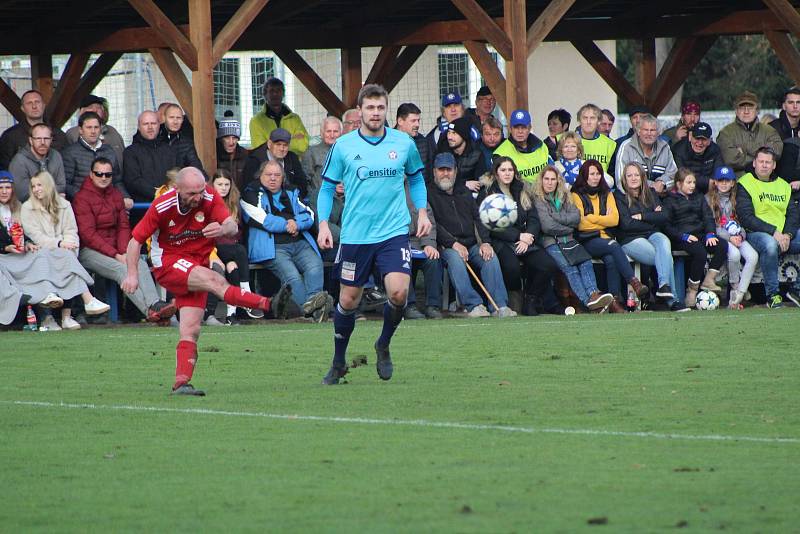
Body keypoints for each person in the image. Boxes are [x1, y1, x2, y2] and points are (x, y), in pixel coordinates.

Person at [122, 167, 291, 395]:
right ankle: (269, 305)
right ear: (178, 190)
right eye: (192, 193)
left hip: (197, 262)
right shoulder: (162, 205)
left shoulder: (209, 197)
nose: (198, 197)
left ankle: (181, 383)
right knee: (215, 280)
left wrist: (222, 228)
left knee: (191, 329)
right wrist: (132, 275)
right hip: (169, 263)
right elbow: (135, 241)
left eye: (201, 191)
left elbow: (232, 226)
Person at [316, 83, 431, 385]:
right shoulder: (343, 146)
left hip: (393, 232)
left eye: (381, 108)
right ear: (360, 111)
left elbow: (417, 180)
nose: (376, 113)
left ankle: (383, 344)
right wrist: (324, 224)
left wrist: (421, 212)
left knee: (398, 293)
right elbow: (327, 187)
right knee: (349, 300)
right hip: (356, 235)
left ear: (386, 110)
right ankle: (339, 360)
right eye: (370, 108)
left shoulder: (403, 143)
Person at [73, 157, 176, 323]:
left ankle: (155, 304)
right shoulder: (81, 198)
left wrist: (124, 252)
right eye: (99, 174)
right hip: (89, 252)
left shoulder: (115, 195)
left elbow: (123, 227)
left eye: (108, 174)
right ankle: (150, 312)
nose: (104, 177)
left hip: (115, 249)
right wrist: (117, 255)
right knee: (123, 271)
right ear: (91, 174)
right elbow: (88, 235)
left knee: (138, 263)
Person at [427, 152, 515, 319]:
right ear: (434, 171)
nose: (445, 173)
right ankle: (474, 305)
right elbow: (433, 224)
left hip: (472, 244)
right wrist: (453, 243)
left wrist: (485, 242)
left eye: (449, 169)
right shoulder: (428, 193)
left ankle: (500, 306)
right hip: (445, 246)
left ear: (455, 170)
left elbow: (478, 217)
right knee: (455, 259)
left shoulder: (463, 191)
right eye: (441, 169)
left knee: (490, 258)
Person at [0, 171, 94, 327]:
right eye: (1, 187)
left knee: (49, 257)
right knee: (48, 257)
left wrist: (28, 243)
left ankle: (65, 312)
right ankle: (84, 298)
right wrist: (5, 247)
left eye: (7, 187)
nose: (4, 191)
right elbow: (34, 235)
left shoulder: (19, 208)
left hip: (24, 255)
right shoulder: (29, 208)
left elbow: (28, 236)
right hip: (6, 257)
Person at [241, 160, 331, 322]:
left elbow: (309, 214)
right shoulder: (250, 193)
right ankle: (309, 312)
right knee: (292, 277)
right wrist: (287, 225)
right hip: (273, 248)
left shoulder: (292, 191)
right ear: (260, 175)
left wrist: (297, 223)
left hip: (300, 243)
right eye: (268, 175)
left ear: (283, 177)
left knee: (315, 267)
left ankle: (313, 310)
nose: (273, 178)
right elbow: (262, 219)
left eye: (277, 175)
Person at [20, 171, 111, 329]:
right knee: (61, 260)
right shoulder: (27, 208)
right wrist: (61, 243)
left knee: (68, 258)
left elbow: (71, 231)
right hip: (39, 252)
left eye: (39, 185)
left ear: (48, 185)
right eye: (33, 186)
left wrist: (68, 245)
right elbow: (36, 237)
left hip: (63, 250)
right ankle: (83, 302)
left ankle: (66, 317)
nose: (36, 189)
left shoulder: (65, 205)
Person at [477, 156, 560, 315]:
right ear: (496, 173)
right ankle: (515, 297)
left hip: (526, 241)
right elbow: (491, 225)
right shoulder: (488, 193)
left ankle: (532, 297)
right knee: (512, 268)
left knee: (548, 264)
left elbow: (534, 218)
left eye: (510, 170)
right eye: (503, 170)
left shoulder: (522, 189)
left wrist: (528, 236)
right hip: (502, 241)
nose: (507, 173)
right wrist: (518, 236)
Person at [531, 165, 614, 312]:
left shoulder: (565, 196)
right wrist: (567, 226)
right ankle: (588, 301)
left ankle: (594, 294)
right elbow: (547, 227)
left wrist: (557, 218)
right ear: (541, 181)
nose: (549, 183)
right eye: (546, 179)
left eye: (553, 179)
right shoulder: (538, 200)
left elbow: (576, 218)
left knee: (585, 261)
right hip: (550, 242)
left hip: (569, 240)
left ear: (558, 181)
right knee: (569, 268)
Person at [571, 159, 649, 312]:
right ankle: (634, 283)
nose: (595, 177)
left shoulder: (607, 193)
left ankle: (615, 301)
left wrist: (592, 217)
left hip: (605, 238)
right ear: (585, 176)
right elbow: (580, 224)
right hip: (586, 240)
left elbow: (614, 220)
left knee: (611, 259)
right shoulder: (576, 195)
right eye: (592, 174)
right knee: (613, 246)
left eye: (598, 173)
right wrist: (602, 220)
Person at [614, 162, 688, 312]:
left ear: (642, 177)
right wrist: (652, 219)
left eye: (636, 175)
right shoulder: (619, 196)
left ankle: (663, 286)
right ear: (624, 178)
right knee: (664, 256)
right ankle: (673, 301)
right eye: (629, 175)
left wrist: (641, 216)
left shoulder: (651, 193)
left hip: (652, 235)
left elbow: (664, 216)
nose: (633, 178)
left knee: (664, 241)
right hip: (630, 239)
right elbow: (626, 225)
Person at [735, 147, 800, 308]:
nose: (764, 165)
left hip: (783, 234)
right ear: (755, 163)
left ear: (774, 165)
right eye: (761, 161)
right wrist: (774, 232)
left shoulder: (783, 185)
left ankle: (797, 289)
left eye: (768, 162)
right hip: (755, 233)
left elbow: (793, 214)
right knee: (770, 245)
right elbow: (746, 218)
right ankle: (773, 295)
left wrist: (788, 234)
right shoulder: (745, 183)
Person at [662, 168, 728, 307]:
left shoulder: (698, 197)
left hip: (700, 234)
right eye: (688, 182)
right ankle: (692, 291)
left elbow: (707, 217)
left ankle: (709, 280)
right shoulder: (669, 200)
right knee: (700, 252)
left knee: (722, 245)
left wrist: (710, 233)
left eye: (693, 182)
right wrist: (683, 236)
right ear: (679, 184)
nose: (692, 185)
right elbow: (666, 226)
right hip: (681, 237)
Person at [210, 169, 264, 322]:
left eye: (227, 184)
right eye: (219, 184)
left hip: (231, 252)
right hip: (213, 250)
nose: (224, 188)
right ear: (212, 185)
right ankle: (246, 293)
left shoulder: (235, 203)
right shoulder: (207, 204)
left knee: (233, 267)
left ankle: (230, 314)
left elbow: (239, 232)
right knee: (239, 250)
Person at [705, 165, 758, 309]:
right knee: (734, 255)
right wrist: (729, 238)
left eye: (727, 181)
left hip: (738, 236)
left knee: (753, 257)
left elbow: (743, 221)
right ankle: (736, 290)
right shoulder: (708, 199)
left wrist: (741, 235)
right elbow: (712, 226)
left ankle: (741, 291)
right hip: (722, 238)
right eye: (720, 180)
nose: (724, 183)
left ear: (733, 182)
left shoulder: (737, 198)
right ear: (715, 182)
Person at [62, 111, 129, 206]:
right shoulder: (70, 153)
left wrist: (125, 196)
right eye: (89, 127)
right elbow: (65, 184)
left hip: (108, 206)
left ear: (100, 129)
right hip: (82, 208)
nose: (93, 131)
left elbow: (117, 180)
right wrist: (85, 197)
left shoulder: (109, 151)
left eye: (96, 127)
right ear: (80, 130)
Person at [717, 91, 783, 177]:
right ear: (736, 111)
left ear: (757, 111)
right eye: (742, 108)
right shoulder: (726, 133)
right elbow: (731, 160)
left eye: (750, 107)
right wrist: (763, 153)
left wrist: (743, 152)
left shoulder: (770, 131)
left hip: (765, 183)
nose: (746, 111)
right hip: (737, 184)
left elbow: (777, 153)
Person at [0, 90, 68, 170]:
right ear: (22, 108)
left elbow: (66, 167)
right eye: (29, 103)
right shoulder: (10, 136)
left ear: (43, 105)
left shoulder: (59, 135)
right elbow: (4, 168)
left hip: (54, 181)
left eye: (37, 102)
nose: (34, 106)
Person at [614, 113, 677, 194]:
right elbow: (621, 179)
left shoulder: (665, 147)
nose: (649, 134)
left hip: (660, 198)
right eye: (646, 130)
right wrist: (650, 186)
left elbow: (674, 175)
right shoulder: (626, 147)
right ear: (638, 131)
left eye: (652, 130)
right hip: (633, 199)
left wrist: (663, 183)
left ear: (658, 133)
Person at [123, 111, 176, 204]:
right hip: (142, 208)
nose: (150, 127)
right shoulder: (130, 152)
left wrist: (167, 193)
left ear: (159, 125)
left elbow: (175, 175)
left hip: (168, 204)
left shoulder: (169, 150)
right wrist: (157, 193)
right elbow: (133, 181)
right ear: (139, 127)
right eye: (145, 124)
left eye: (153, 123)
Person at [243, 127, 311, 200]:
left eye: (285, 145)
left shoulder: (292, 158)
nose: (282, 149)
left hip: (290, 202)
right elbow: (248, 188)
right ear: (269, 144)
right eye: (278, 144)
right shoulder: (254, 161)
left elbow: (302, 185)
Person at [249, 77, 309, 155]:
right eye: (271, 91)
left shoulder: (295, 119)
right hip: (268, 165)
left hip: (293, 164)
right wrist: (291, 140)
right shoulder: (256, 121)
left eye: (278, 90)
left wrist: (273, 144)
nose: (275, 94)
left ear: (283, 94)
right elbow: (260, 149)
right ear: (265, 94)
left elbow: (303, 145)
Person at [8, 123, 66, 202]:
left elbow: (62, 186)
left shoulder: (56, 156)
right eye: (38, 138)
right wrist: (53, 194)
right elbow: (23, 195)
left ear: (51, 140)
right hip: (29, 210)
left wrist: (38, 191)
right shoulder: (19, 161)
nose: (42, 142)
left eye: (46, 138)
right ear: (31, 140)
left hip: (54, 207)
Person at [65, 95, 125, 169]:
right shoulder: (72, 134)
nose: (94, 110)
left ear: (103, 112)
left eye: (98, 108)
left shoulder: (113, 132)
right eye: (89, 108)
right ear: (80, 113)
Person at [493, 109, 552, 183]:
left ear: (529, 128)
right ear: (510, 129)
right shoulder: (500, 154)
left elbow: (552, 172)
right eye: (516, 127)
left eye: (523, 127)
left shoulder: (542, 146)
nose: (520, 131)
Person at [436, 116, 487, 193]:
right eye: (448, 132)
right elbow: (438, 181)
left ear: (464, 136)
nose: (449, 137)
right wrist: (464, 184)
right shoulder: (442, 153)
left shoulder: (476, 154)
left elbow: (479, 183)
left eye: (454, 133)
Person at [671, 122, 724, 194]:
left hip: (710, 191)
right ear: (690, 137)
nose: (700, 143)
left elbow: (719, 173)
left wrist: (712, 183)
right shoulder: (679, 149)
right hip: (686, 191)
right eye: (697, 138)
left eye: (704, 139)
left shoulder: (715, 150)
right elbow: (681, 176)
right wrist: (707, 182)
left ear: (710, 140)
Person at [158, 104, 205, 173]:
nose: (175, 122)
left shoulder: (186, 142)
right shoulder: (155, 136)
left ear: (183, 119)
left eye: (178, 118)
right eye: (171, 117)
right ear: (164, 118)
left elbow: (195, 166)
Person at [302, 116, 342, 193]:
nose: (332, 135)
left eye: (335, 131)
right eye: (328, 131)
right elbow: (304, 180)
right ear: (322, 133)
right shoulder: (312, 152)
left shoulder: (347, 152)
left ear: (341, 133)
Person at [574, 104, 616, 175]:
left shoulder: (610, 144)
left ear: (599, 121)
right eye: (585, 118)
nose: (588, 122)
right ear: (579, 120)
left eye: (592, 118)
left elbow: (612, 175)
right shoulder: (567, 141)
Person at [395, 103, 433, 183]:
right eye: (413, 121)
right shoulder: (388, 141)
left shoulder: (423, 142)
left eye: (418, 120)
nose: (417, 124)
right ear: (400, 121)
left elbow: (429, 173)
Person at [216, 114, 250, 192]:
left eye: (234, 138)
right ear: (221, 139)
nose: (231, 142)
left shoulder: (245, 155)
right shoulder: (214, 155)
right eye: (227, 137)